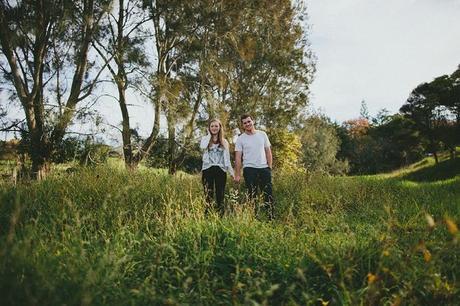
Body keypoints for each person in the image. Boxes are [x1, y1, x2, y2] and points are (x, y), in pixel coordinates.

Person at [234, 114, 274, 219]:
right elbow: (238, 157)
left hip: (264, 168)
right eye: (245, 123)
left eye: (249, 121)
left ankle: (270, 217)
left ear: (253, 121)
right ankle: (255, 218)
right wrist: (237, 175)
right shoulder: (240, 139)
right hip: (249, 169)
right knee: (252, 195)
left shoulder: (262, 134)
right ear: (242, 125)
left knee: (268, 194)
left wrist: (269, 168)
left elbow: (268, 151)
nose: (247, 124)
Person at [200, 118, 234, 215]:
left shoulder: (224, 141)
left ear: (220, 127)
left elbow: (227, 159)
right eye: (212, 126)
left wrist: (231, 172)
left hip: (220, 169)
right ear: (209, 128)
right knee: (208, 193)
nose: (214, 128)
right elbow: (202, 147)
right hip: (207, 169)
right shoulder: (205, 139)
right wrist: (209, 135)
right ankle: (208, 214)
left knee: (220, 194)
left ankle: (220, 214)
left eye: (216, 126)